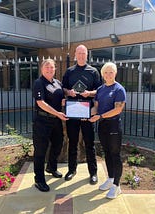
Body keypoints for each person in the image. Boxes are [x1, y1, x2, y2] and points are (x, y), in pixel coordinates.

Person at [62, 44, 102, 185]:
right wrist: (69, 92)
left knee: (89, 143)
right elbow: (64, 89)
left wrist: (89, 93)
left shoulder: (93, 72)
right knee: (72, 142)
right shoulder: (69, 71)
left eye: (83, 53)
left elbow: (99, 91)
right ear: (75, 54)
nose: (81, 55)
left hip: (87, 111)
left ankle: (93, 173)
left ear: (87, 55)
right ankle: (72, 170)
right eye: (79, 53)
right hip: (73, 111)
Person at [89, 62, 126, 199]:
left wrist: (100, 116)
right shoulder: (100, 89)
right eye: (106, 72)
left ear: (115, 73)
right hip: (103, 125)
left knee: (115, 155)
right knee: (107, 153)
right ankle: (110, 179)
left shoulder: (119, 89)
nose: (108, 75)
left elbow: (118, 109)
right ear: (102, 74)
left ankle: (117, 186)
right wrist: (88, 114)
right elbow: (96, 108)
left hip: (114, 125)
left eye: (111, 72)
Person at [32, 59, 68, 192]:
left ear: (55, 69)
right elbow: (41, 103)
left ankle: (51, 167)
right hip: (42, 121)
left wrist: (64, 103)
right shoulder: (39, 83)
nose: (49, 69)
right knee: (40, 150)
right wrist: (58, 113)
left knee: (58, 144)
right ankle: (39, 179)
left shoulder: (57, 82)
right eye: (47, 67)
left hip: (56, 121)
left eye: (52, 67)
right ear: (42, 69)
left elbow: (60, 99)